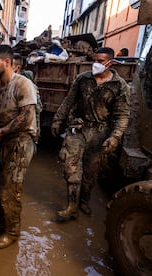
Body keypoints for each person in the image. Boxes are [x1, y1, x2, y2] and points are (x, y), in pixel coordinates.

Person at [51, 47, 130, 221]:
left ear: (110, 62)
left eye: (100, 61)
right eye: (95, 60)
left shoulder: (119, 86)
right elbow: (68, 101)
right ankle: (71, 205)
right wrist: (57, 119)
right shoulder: (82, 79)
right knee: (70, 166)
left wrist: (115, 136)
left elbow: (122, 115)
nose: (96, 64)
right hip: (78, 129)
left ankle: (84, 201)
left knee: (90, 171)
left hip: (100, 133)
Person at [0, 45, 38, 249]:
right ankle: (0, 222)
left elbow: (26, 117)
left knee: (10, 188)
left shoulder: (23, 84)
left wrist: (1, 132)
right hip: (1, 140)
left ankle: (12, 232)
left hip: (20, 142)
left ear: (7, 62)